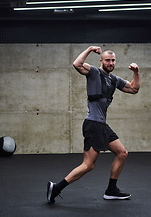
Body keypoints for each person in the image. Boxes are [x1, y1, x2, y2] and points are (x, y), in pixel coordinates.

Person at [47, 46, 140, 204]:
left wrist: (136, 72)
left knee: (122, 153)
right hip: (93, 124)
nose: (110, 63)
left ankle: (111, 190)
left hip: (102, 125)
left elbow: (134, 89)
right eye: (107, 60)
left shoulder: (114, 80)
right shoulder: (94, 72)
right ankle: (56, 188)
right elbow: (77, 64)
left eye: (113, 60)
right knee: (88, 165)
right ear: (101, 61)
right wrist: (90, 49)